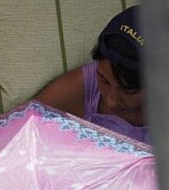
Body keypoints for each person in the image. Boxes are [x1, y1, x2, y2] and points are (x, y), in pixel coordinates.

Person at [36, 5, 147, 143]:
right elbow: (23, 126)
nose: (112, 102)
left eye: (129, 90)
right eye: (104, 81)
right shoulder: (85, 86)